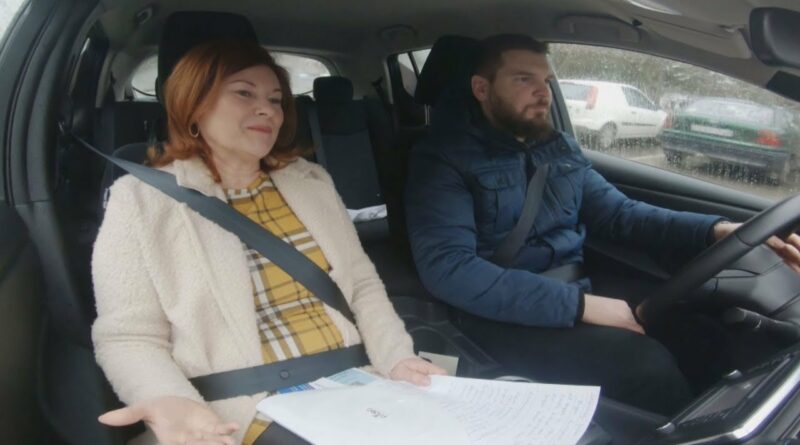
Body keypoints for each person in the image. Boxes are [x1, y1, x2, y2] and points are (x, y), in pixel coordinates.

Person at [405, 34, 800, 415]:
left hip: (574, 287)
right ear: (481, 88)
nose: (542, 92)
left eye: (546, 81)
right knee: (644, 368)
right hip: (496, 313)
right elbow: (450, 269)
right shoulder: (443, 160)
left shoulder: (557, 148)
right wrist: (579, 307)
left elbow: (621, 215)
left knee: (703, 334)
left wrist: (716, 230)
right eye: (523, 79)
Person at [92, 39, 444, 445]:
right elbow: (128, 336)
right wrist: (169, 400)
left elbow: (362, 285)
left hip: (357, 385)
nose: (268, 111)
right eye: (244, 93)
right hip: (244, 408)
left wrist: (397, 357)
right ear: (195, 105)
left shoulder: (312, 182)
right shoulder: (140, 201)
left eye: (276, 100)